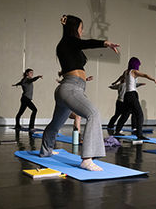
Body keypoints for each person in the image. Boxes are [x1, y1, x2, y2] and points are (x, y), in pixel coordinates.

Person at [39, 14, 120, 171]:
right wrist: (105, 43)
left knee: (56, 124)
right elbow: (85, 44)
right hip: (71, 88)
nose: (82, 31)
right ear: (74, 29)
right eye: (81, 28)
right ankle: (87, 159)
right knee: (93, 114)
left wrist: (84, 79)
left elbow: (72, 64)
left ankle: (46, 151)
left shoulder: (67, 45)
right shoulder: (68, 41)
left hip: (70, 87)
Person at [113, 57, 156, 140]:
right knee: (140, 114)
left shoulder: (126, 72)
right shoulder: (133, 71)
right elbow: (145, 75)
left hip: (126, 95)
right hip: (132, 94)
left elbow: (121, 77)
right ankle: (139, 134)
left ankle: (117, 130)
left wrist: (115, 82)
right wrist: (154, 79)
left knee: (125, 114)